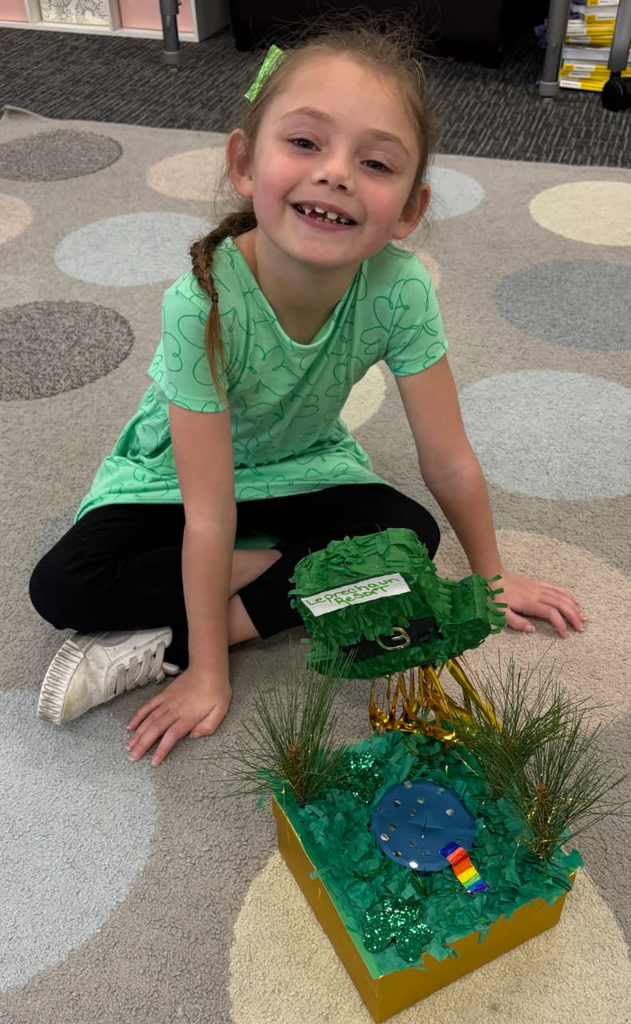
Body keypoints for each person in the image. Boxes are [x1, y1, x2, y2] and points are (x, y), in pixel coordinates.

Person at [29, 23, 585, 767]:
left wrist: (487, 578)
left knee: (409, 540)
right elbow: (207, 510)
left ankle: (159, 635)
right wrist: (207, 672)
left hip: (305, 466)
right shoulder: (200, 302)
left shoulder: (401, 287)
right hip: (172, 485)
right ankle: (235, 608)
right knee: (65, 587)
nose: (336, 174)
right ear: (242, 164)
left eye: (375, 161)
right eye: (303, 143)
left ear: (410, 210)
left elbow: (446, 457)